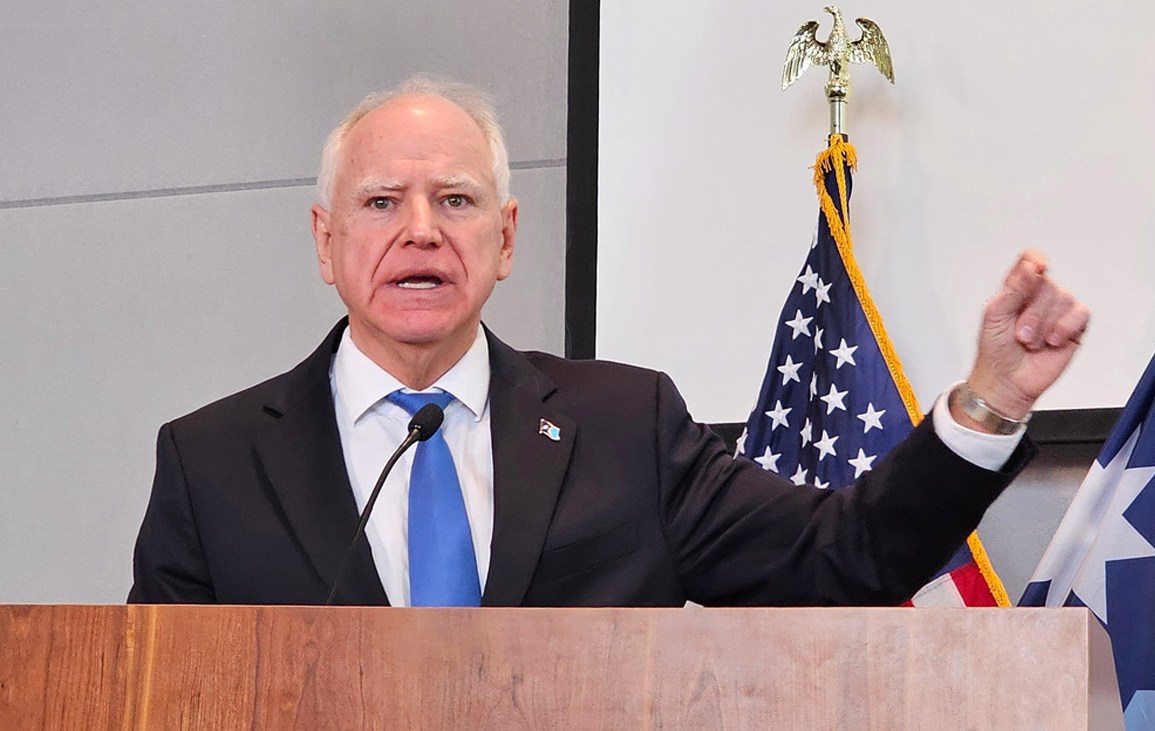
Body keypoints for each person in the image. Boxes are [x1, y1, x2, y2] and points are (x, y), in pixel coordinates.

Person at [128, 76, 1089, 607]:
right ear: (325, 241)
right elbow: (150, 698)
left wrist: (988, 402)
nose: (420, 231)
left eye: (455, 200)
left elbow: (845, 555)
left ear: (505, 239)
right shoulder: (212, 464)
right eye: (382, 202)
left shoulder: (627, 426)